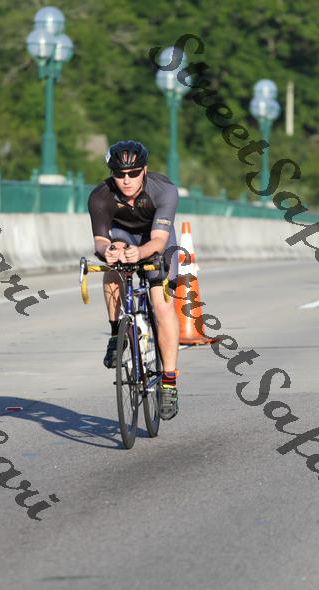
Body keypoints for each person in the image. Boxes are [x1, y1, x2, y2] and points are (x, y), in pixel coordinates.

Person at [87, 140, 180, 420]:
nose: (126, 180)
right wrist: (108, 251)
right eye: (119, 174)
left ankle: (169, 382)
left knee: (161, 305)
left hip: (155, 239)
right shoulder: (100, 196)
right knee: (112, 262)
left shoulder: (164, 190)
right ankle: (117, 333)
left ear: (145, 170)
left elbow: (159, 240)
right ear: (111, 174)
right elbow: (100, 241)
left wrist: (140, 253)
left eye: (133, 173)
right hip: (122, 235)